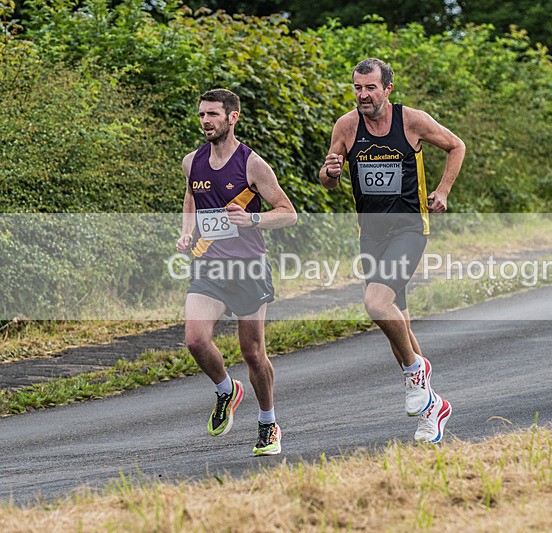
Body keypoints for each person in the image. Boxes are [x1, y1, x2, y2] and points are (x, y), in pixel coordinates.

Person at [319, 58, 465, 442]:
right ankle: (433, 409)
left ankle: (416, 373)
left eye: (370, 88)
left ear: (387, 89)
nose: (363, 95)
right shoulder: (346, 126)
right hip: (371, 234)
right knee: (396, 319)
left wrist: (444, 190)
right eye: (357, 88)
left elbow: (456, 146)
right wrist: (331, 172)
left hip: (409, 228)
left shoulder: (412, 121)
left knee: (376, 304)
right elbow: (328, 179)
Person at [176, 89, 297, 456]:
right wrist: (185, 232)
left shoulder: (252, 165)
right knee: (195, 341)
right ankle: (226, 389)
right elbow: (192, 200)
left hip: (248, 269)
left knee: (253, 353)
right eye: (201, 115)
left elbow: (288, 212)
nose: (205, 121)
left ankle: (268, 422)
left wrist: (253, 218)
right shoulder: (191, 162)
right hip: (209, 267)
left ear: (233, 117)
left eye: (212, 114)